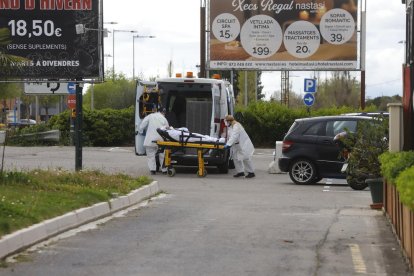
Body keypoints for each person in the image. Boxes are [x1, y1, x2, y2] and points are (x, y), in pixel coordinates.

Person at [138, 108, 169, 175]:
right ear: (163, 112)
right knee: (162, 155)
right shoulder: (164, 118)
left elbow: (143, 124)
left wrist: (140, 131)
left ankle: (153, 170)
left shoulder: (150, 116)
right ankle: (164, 170)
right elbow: (167, 129)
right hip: (161, 140)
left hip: (150, 140)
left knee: (150, 155)